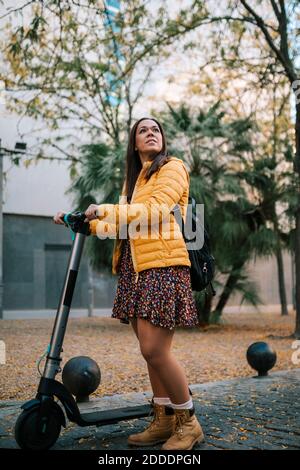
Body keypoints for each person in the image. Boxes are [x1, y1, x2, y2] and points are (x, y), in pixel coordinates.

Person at [53, 117, 205, 450]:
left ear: (162, 140)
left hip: (163, 265)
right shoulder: (134, 180)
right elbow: (123, 225)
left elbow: (153, 211)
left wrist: (103, 209)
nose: (151, 134)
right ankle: (164, 419)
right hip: (135, 269)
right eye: (143, 131)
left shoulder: (172, 168)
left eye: (156, 130)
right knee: (149, 353)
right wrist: (80, 223)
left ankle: (189, 423)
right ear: (134, 143)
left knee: (155, 350)